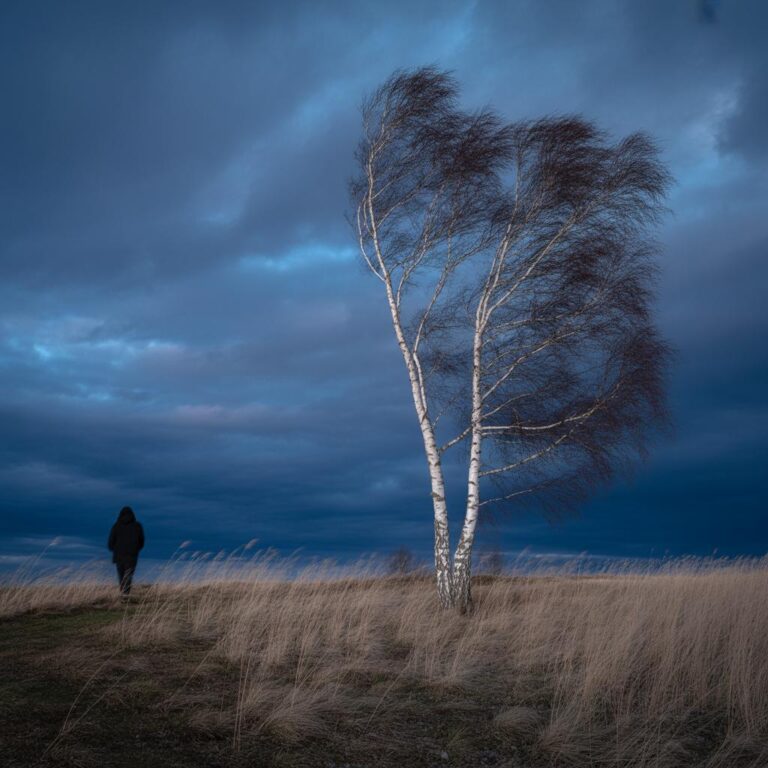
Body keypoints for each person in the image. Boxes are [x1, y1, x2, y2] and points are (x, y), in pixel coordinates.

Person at [107, 506, 145, 600]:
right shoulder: (137, 526)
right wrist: (135, 550)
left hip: (119, 556)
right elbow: (142, 541)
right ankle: (126, 596)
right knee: (128, 576)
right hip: (132, 556)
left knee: (121, 577)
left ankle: (123, 595)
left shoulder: (116, 526)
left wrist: (115, 550)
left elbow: (110, 543)